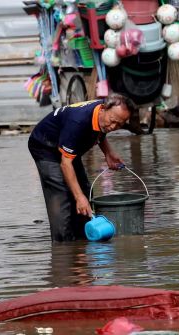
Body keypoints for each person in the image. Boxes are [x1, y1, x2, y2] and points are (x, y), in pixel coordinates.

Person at [28, 93, 136, 241]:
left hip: (69, 146)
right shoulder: (78, 121)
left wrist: (108, 153)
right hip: (45, 146)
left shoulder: (101, 115)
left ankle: (83, 239)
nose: (113, 127)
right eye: (113, 121)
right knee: (62, 194)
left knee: (85, 191)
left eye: (119, 125)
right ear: (103, 109)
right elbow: (65, 164)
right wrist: (79, 197)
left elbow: (101, 129)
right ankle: (62, 245)